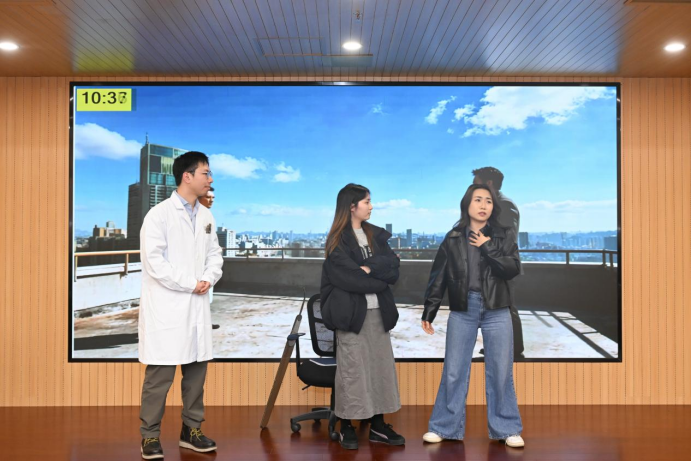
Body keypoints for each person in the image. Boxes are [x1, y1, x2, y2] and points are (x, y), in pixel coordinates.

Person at [421, 184, 524, 448]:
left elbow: (512, 268)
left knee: (500, 371)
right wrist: (430, 310)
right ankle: (444, 427)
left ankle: (507, 429)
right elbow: (438, 277)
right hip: (463, 309)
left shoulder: (503, 235)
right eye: (478, 200)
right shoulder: (453, 237)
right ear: (467, 204)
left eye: (488, 201)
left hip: (497, 309)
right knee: (454, 371)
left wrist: (488, 247)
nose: (483, 205)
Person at [138, 151, 223, 460]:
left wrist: (209, 277)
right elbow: (154, 263)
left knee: (196, 375)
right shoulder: (158, 215)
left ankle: (192, 431)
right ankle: (149, 435)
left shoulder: (206, 216)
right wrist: (191, 282)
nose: (210, 179)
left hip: (197, 305)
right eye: (205, 173)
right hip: (168, 307)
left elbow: (215, 254)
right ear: (187, 176)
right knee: (159, 378)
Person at [320, 183, 405, 450]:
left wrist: (369, 269)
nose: (371, 206)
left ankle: (378, 426)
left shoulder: (375, 235)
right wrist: (377, 277)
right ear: (351, 206)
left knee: (380, 369)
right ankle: (346, 425)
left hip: (379, 313)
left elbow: (394, 267)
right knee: (353, 372)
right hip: (351, 316)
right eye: (367, 201)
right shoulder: (337, 241)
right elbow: (349, 279)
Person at [473, 167, 524, 360]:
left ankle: (514, 349)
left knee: (506, 307)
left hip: (501, 265)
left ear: (489, 183)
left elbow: (507, 239)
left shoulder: (504, 205)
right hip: (490, 264)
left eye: (476, 183)